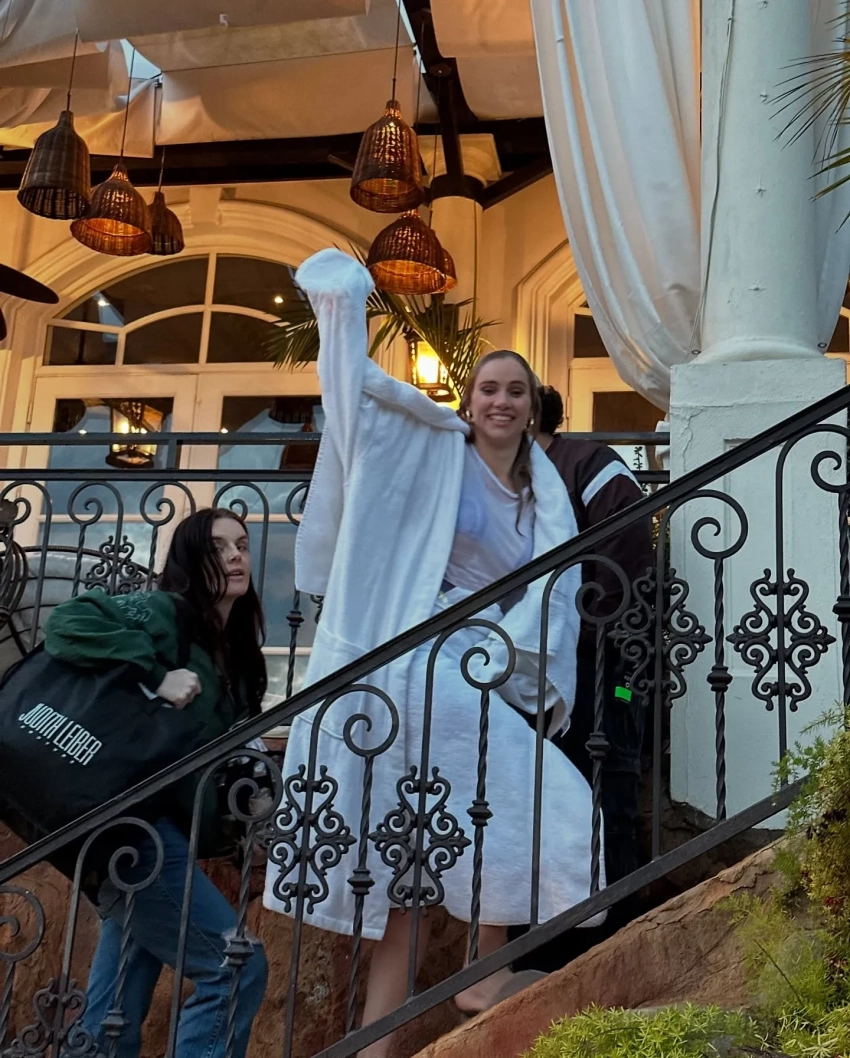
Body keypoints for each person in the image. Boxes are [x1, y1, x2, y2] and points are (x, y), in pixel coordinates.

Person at [263, 249, 601, 1058]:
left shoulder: (544, 493)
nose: (501, 401)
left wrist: (523, 663)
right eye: (489, 389)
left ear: (533, 406)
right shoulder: (436, 446)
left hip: (485, 661)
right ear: (470, 400)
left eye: (515, 391)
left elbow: (555, 588)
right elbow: (358, 399)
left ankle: (380, 1043)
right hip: (420, 650)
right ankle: (485, 973)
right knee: (536, 789)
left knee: (419, 865)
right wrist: (342, 308)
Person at [43, 508, 269, 1058]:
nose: (236, 556)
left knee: (115, 1007)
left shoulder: (237, 656)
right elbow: (67, 623)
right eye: (219, 548)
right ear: (191, 559)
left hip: (154, 834)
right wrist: (155, 673)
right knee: (234, 967)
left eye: (242, 545)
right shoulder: (166, 612)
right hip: (129, 825)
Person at [535, 385, 653, 889]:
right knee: (536, 801)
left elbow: (625, 553)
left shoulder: (589, 464)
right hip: (523, 671)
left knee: (605, 788)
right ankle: (539, 927)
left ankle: (615, 918)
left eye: (513, 394)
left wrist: (583, 636)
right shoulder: (492, 484)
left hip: (601, 665)